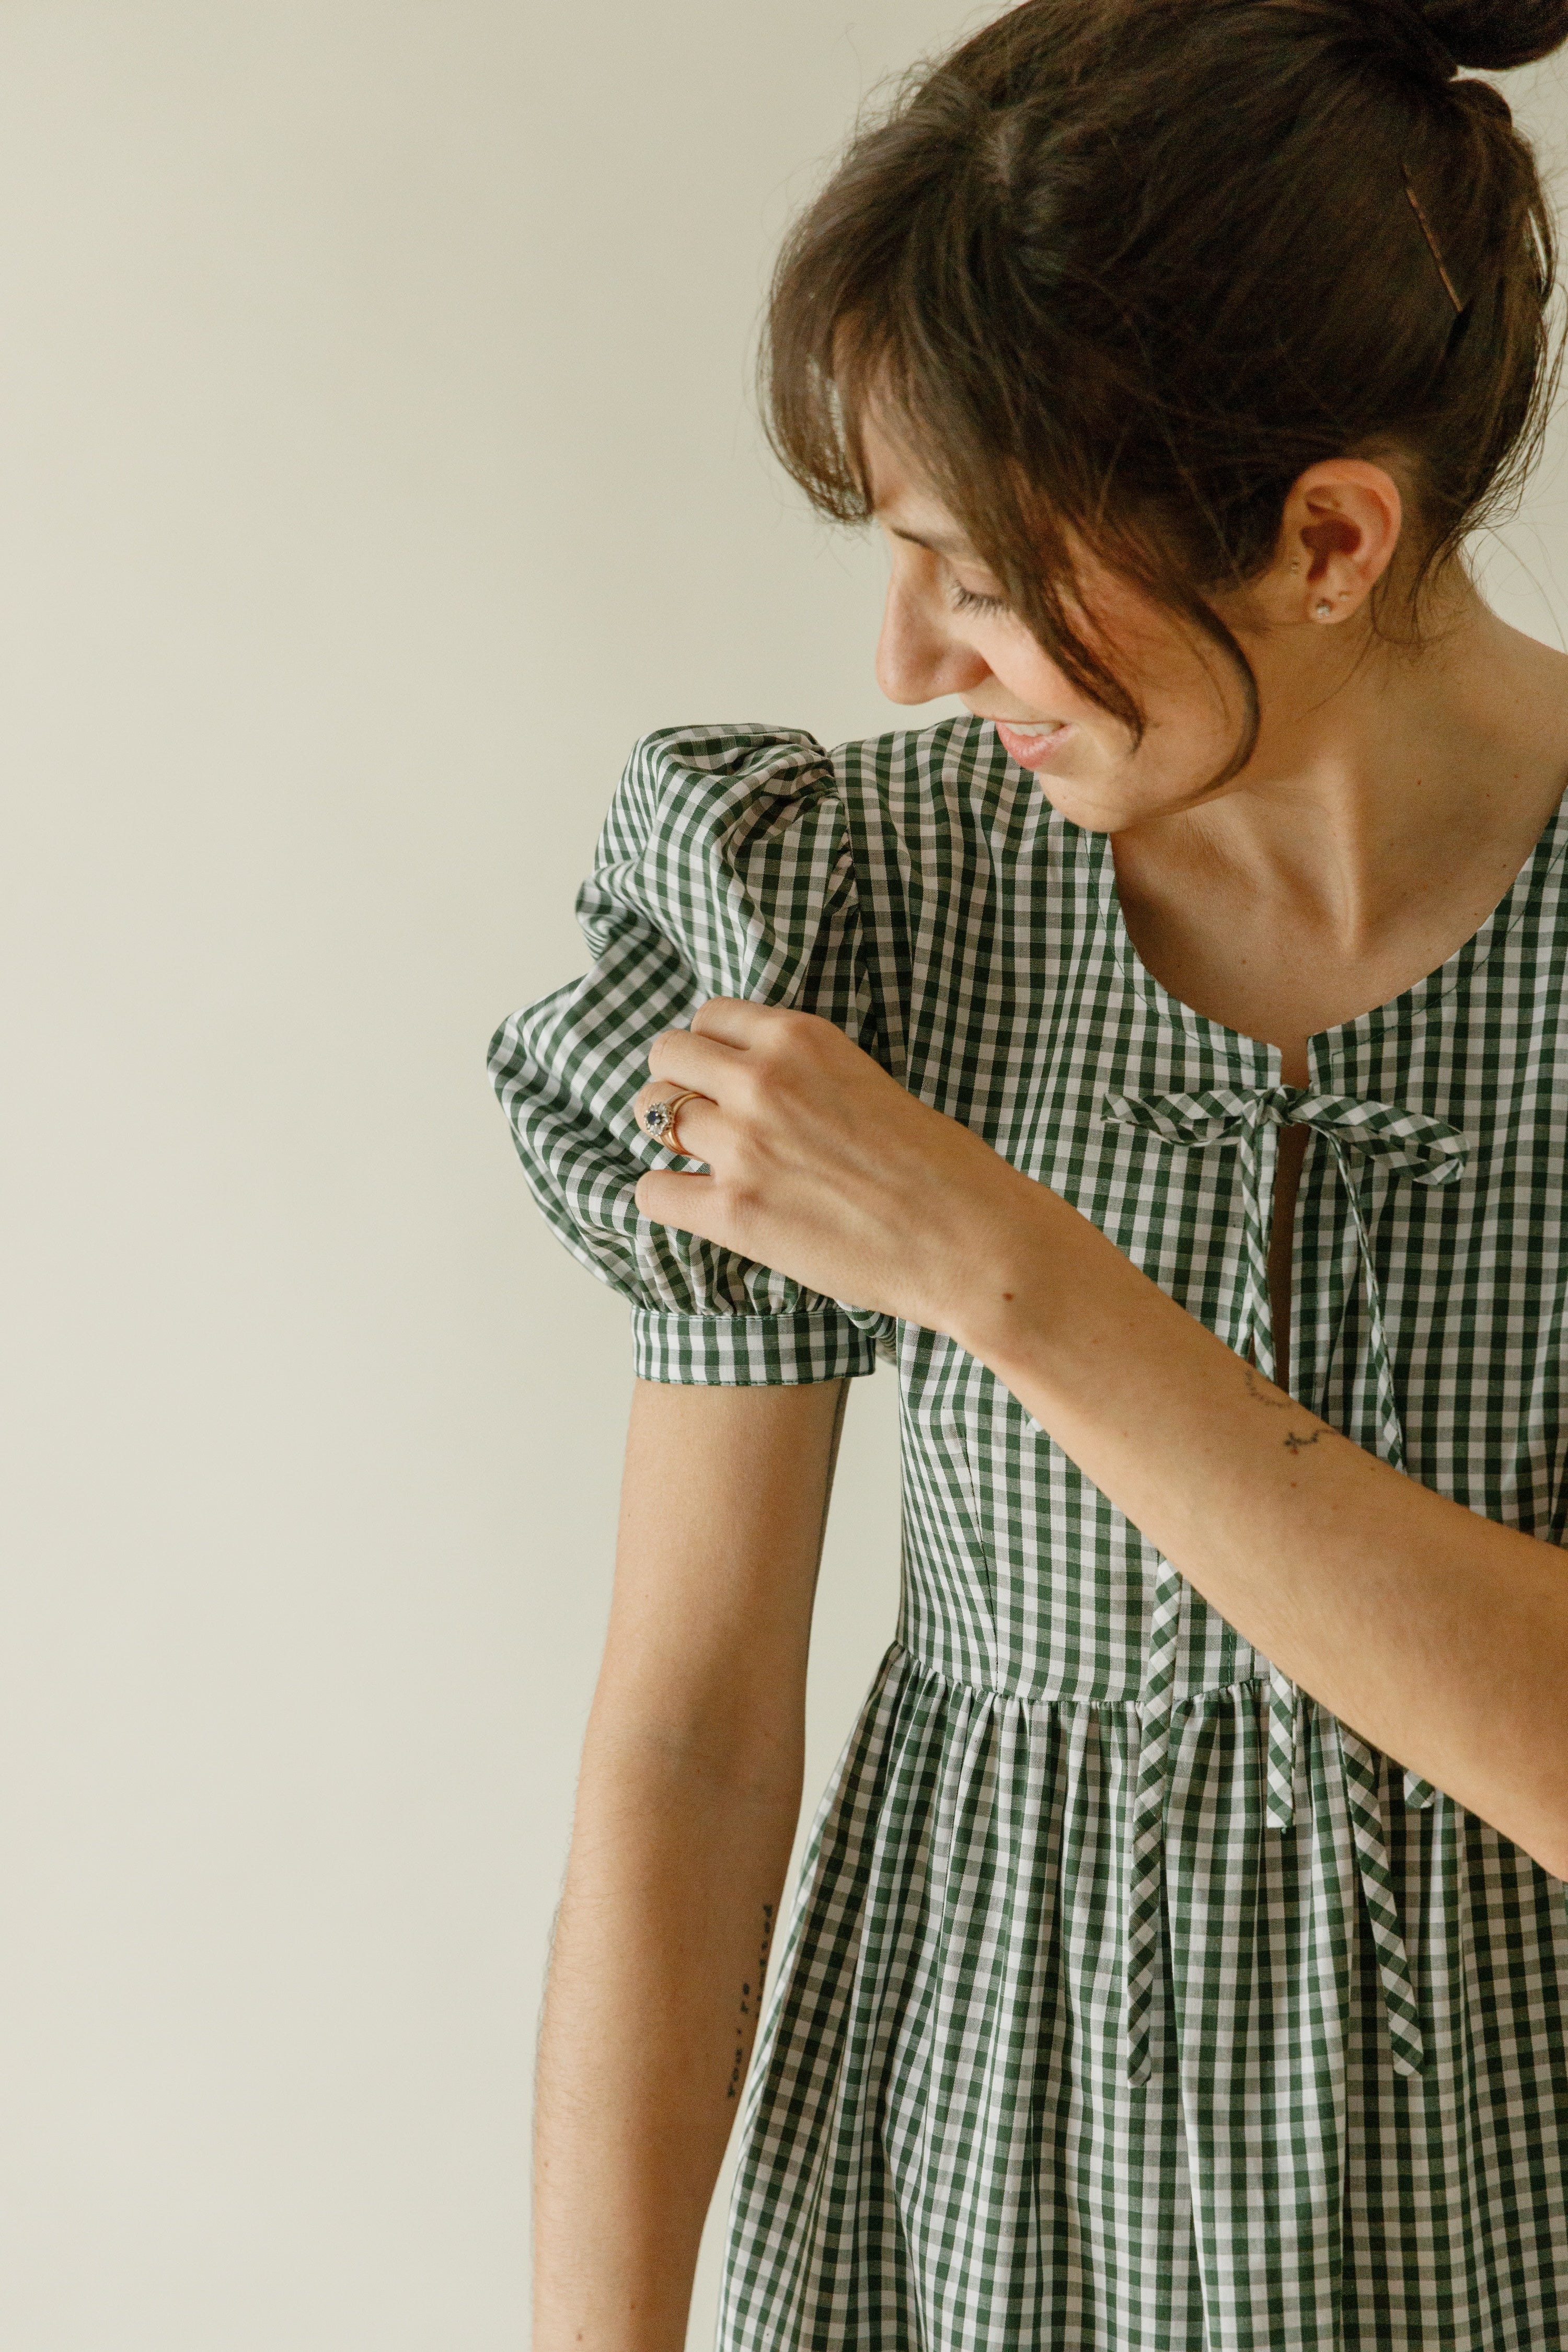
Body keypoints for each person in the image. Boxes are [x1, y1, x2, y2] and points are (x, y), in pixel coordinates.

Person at [490, 1, 1568, 2344]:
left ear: (1329, 536)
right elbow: (685, 1742)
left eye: (979, 579)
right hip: (954, 2217)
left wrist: (1006, 1269)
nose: (904, 663)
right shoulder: (844, 908)